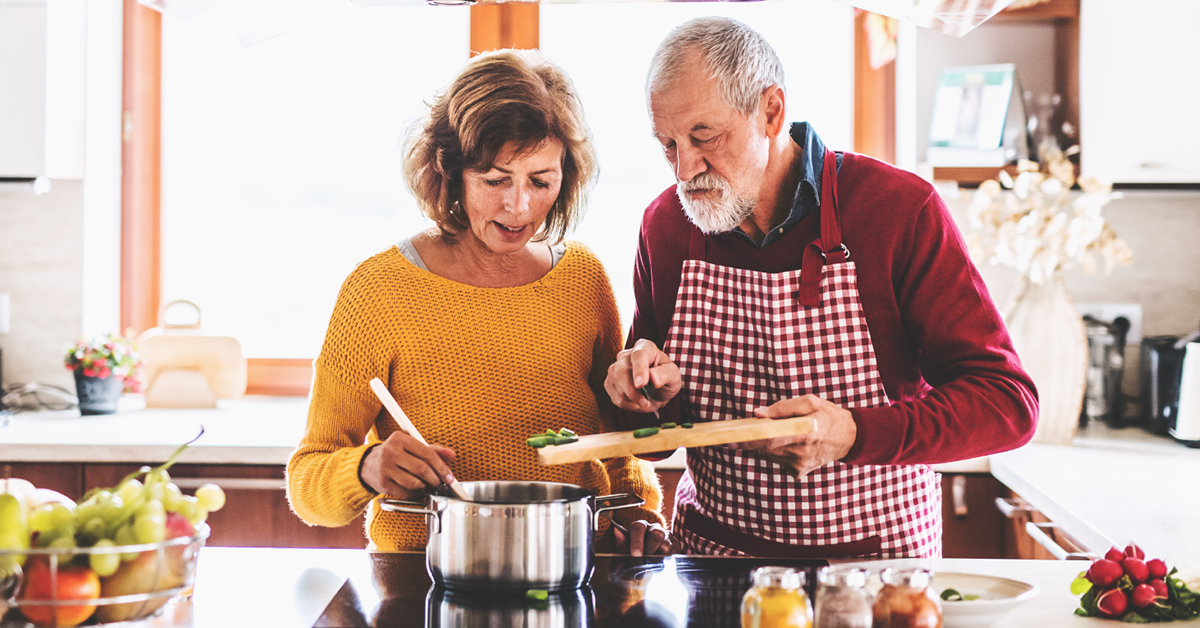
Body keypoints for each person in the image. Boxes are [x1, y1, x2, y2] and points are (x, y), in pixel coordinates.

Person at [604, 17, 1038, 558]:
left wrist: (854, 433)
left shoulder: (898, 210)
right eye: (667, 144)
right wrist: (645, 396)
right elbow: (647, 434)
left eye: (704, 137)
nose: (684, 169)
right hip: (713, 565)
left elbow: (1007, 404)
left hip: (875, 571)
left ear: (771, 111)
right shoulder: (666, 226)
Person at [287, 49, 669, 556]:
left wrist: (639, 513)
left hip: (569, 567)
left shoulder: (583, 278)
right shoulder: (378, 291)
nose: (519, 206)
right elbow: (309, 482)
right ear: (450, 171)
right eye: (494, 180)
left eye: (541, 181)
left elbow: (614, 443)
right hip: (425, 580)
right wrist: (366, 467)